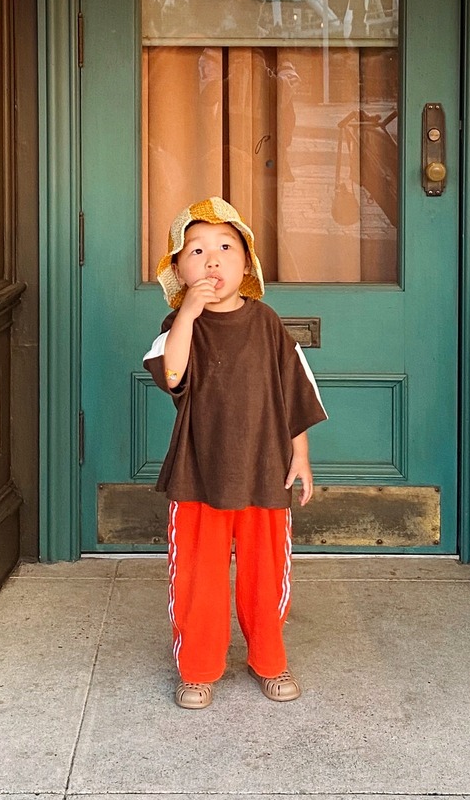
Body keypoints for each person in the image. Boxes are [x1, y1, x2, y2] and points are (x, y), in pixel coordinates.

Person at [144, 196, 327, 710]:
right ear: (180, 272)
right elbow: (172, 374)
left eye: (226, 247)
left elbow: (294, 390)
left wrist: (300, 455)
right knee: (198, 575)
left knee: (264, 573)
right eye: (196, 251)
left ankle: (269, 658)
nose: (212, 261)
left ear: (246, 264)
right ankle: (198, 666)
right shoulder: (178, 328)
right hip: (198, 472)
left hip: (265, 470)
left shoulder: (267, 323)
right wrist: (188, 313)